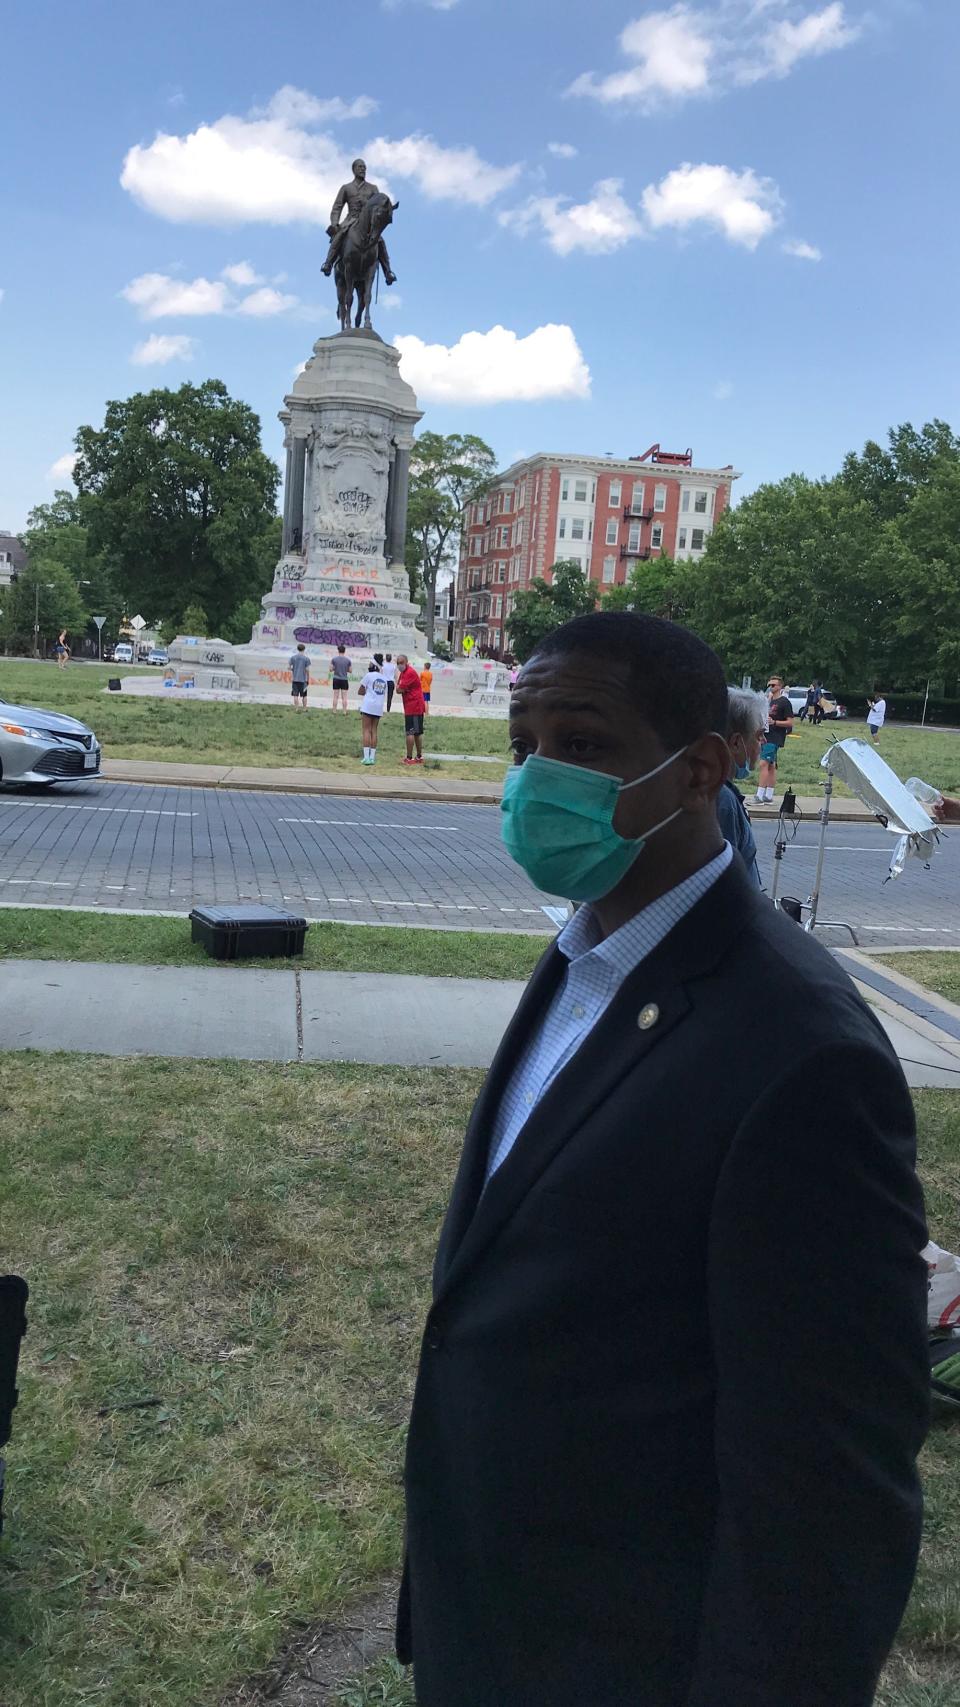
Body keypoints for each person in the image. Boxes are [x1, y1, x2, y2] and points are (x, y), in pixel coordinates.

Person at [398, 610, 928, 1707]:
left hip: (627, 1651)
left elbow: (827, 1485)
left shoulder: (802, 1054)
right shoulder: (593, 949)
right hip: (501, 1609)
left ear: (702, 772)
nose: (537, 776)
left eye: (582, 744)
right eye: (522, 742)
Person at [716, 686, 765, 885]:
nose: (763, 741)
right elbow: (727, 886)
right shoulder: (723, 801)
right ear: (736, 743)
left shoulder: (720, 793)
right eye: (759, 735)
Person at [320, 158, 397, 283]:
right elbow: (337, 207)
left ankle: (387, 271)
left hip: (367, 223)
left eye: (364, 167)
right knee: (339, 235)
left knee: (380, 241)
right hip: (351, 219)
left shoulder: (373, 188)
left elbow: (379, 205)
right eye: (360, 167)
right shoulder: (346, 188)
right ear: (354, 169)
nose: (363, 169)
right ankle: (328, 262)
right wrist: (334, 223)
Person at [747, 672, 793, 805]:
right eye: (769, 685)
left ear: (779, 687)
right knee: (771, 766)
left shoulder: (784, 702)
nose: (770, 687)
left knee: (763, 764)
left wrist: (775, 723)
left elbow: (790, 722)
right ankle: (768, 795)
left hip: (775, 737)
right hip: (765, 736)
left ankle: (759, 795)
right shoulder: (768, 701)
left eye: (773, 685)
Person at [395, 653, 426, 765]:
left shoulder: (409, 673)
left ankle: (409, 757)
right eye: (398, 663)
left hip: (414, 706)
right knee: (416, 732)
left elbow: (399, 689)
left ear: (406, 662)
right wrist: (399, 687)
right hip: (412, 705)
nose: (399, 665)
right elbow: (398, 688)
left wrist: (400, 688)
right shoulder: (403, 673)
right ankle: (419, 756)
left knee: (411, 732)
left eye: (401, 663)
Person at [357, 659, 387, 763]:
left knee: (366, 730)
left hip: (368, 706)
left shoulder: (368, 675)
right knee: (374, 731)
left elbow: (360, 691)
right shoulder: (384, 678)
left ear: (374, 665)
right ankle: (372, 757)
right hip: (378, 706)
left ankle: (366, 757)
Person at [288, 642, 311, 711]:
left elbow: (288, 667)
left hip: (295, 679)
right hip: (303, 680)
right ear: (304, 649)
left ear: (298, 649)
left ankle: (296, 708)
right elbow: (307, 670)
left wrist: (293, 669)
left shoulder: (293, 658)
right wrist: (308, 678)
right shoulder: (306, 659)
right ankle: (304, 708)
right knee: (304, 695)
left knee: (295, 695)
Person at [331, 644, 351, 712]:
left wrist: (336, 668)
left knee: (335, 696)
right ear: (344, 651)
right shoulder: (348, 660)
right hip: (344, 679)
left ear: (338, 651)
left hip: (336, 679)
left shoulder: (334, 659)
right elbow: (350, 671)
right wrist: (345, 669)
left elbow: (331, 669)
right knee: (344, 697)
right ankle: (344, 711)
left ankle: (334, 710)